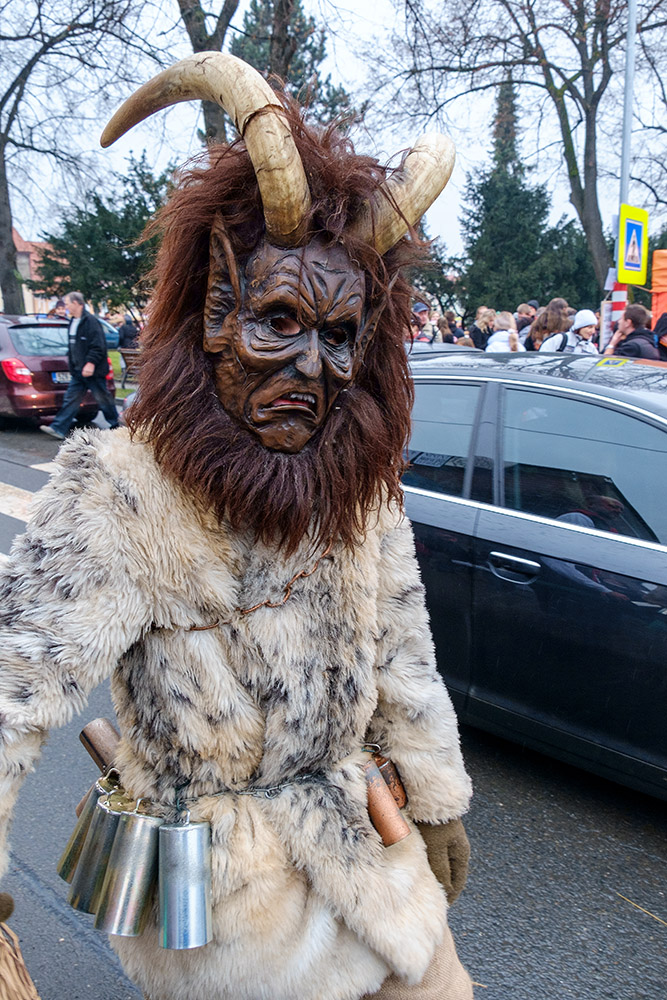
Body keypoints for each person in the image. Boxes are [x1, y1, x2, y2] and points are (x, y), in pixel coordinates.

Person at [0, 54, 473, 1000]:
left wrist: (434, 794)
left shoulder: (358, 491)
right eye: (279, 320)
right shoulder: (121, 490)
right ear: (218, 308)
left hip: (367, 861)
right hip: (219, 905)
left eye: (337, 336)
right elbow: (13, 687)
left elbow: (402, 650)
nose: (310, 367)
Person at [39, 291, 119, 439]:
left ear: (76, 303)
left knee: (103, 399)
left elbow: (98, 346)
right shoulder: (73, 321)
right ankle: (58, 428)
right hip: (78, 371)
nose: (66, 307)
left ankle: (117, 425)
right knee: (71, 399)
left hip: (92, 371)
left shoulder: (91, 322)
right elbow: (74, 347)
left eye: (67, 304)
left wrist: (90, 363)